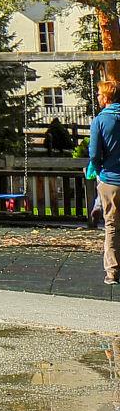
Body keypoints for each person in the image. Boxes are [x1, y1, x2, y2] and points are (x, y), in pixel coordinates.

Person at [86, 81, 120, 285]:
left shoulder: (100, 121)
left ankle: (113, 271)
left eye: (99, 94)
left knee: (112, 224)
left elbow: (94, 153)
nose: (97, 97)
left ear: (106, 98)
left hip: (111, 179)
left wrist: (99, 169)